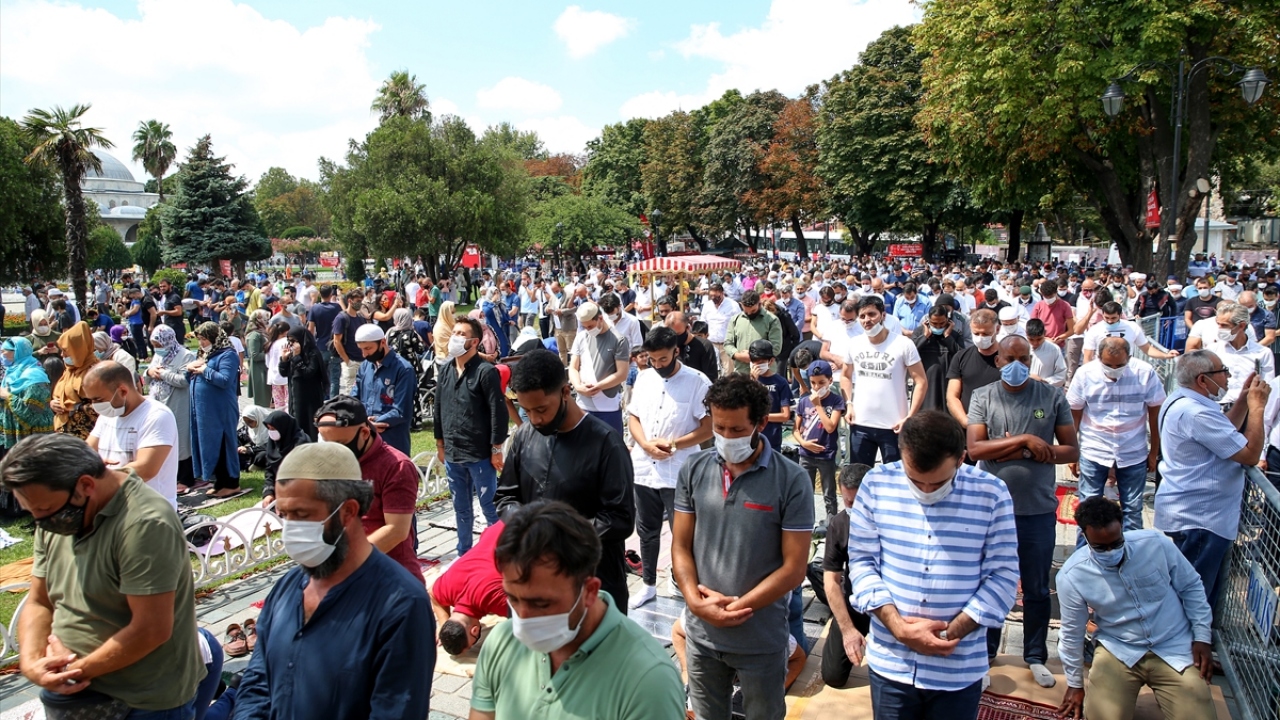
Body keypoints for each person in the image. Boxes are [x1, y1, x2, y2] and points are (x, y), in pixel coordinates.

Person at [3, 433, 204, 717]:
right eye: (33, 511)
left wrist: (72, 670)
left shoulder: (144, 524)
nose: (41, 522)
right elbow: (39, 601)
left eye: (46, 509)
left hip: (142, 701)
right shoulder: (55, 518)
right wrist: (33, 664)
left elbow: (151, 629)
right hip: (74, 691)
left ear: (85, 485)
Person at [234, 443, 435, 720]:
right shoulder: (286, 589)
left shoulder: (400, 605)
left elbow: (395, 710)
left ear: (348, 512)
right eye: (285, 516)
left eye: (302, 515)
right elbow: (257, 683)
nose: (290, 529)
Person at [848, 410, 1019, 718]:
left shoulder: (991, 494)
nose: (926, 491)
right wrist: (899, 629)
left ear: (961, 458)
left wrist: (949, 634)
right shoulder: (875, 485)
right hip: (892, 664)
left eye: (938, 483)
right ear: (901, 455)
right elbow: (861, 563)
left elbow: (1003, 577)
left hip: (958, 669)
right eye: (915, 481)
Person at [672, 374, 813, 719]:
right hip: (701, 637)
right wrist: (694, 601)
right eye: (719, 428)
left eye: (736, 430)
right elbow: (680, 546)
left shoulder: (791, 480)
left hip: (761, 642)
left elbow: (794, 569)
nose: (725, 438)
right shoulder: (694, 470)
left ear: (761, 423)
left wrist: (735, 610)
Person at [469, 501, 685, 719]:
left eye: (542, 604)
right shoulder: (500, 643)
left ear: (589, 591)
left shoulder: (648, 681)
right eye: (513, 599)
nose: (523, 618)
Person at [967, 335, 1079, 688]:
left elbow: (1070, 450)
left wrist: (1017, 450)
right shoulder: (983, 396)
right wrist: (1028, 441)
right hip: (994, 512)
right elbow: (975, 449)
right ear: (998, 360)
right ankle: (985, 653)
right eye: (1009, 358)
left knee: (1036, 588)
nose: (1016, 365)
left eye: (1024, 359)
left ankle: (1034, 655)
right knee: (990, 584)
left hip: (1038, 510)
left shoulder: (1051, 396)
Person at [499, 349, 636, 611]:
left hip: (592, 584)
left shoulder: (606, 444)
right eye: (526, 410)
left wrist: (558, 536)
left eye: (541, 409)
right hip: (533, 578)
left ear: (565, 392)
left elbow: (620, 519)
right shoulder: (525, 436)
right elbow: (506, 496)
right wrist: (525, 526)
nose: (535, 419)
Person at [1057, 497, 1215, 720]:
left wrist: (1202, 637)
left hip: (1172, 645)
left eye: (1116, 542)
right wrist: (1074, 684)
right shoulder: (1072, 576)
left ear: (1122, 528)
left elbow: (1191, 587)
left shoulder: (1156, 544)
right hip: (1118, 649)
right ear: (1084, 535)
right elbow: (1071, 633)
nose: (1111, 551)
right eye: (1101, 548)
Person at [1156, 350, 1268, 613]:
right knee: (1194, 597)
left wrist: (1241, 399)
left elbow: (1223, 433)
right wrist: (1258, 408)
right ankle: (1188, 648)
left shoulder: (1185, 401)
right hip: (1200, 518)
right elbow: (1250, 454)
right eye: (1223, 371)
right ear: (1203, 380)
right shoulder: (1196, 413)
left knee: (1198, 591)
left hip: (1197, 513)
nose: (1228, 376)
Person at [625, 330, 713, 609]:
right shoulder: (644, 377)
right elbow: (634, 417)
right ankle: (649, 583)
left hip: (680, 472)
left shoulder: (698, 382)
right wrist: (645, 444)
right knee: (646, 531)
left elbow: (707, 428)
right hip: (645, 469)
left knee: (683, 534)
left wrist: (673, 444)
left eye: (662, 358)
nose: (657, 365)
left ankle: (686, 585)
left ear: (676, 351)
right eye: (651, 359)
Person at [314, 396, 422, 583]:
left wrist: (348, 562)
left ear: (364, 433)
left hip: (390, 579)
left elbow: (396, 530)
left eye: (339, 444)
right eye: (326, 442)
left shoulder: (396, 466)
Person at [1066, 337, 1165, 532]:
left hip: (1133, 452)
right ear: (1098, 357)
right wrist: (1072, 452)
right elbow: (1074, 416)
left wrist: (1154, 452)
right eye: (1107, 365)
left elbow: (1155, 417)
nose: (1113, 369)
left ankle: (1132, 558)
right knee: (1088, 508)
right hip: (1094, 450)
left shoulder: (1144, 373)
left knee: (1133, 510)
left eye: (1119, 365)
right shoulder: (1085, 374)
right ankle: (1085, 556)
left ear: (1130, 357)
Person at [435, 317, 508, 554]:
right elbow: (439, 408)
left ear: (474, 341)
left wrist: (496, 448)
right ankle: (464, 552)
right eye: (454, 332)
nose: (454, 337)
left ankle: (498, 554)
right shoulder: (446, 370)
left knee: (489, 507)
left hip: (479, 454)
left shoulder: (486, 372)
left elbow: (498, 411)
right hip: (454, 452)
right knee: (460, 507)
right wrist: (440, 443)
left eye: (461, 333)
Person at [840, 296, 928, 466]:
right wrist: (849, 403)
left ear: (883, 315)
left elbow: (921, 381)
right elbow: (845, 375)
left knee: (895, 479)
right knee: (858, 478)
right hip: (860, 424)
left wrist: (910, 416)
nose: (867, 320)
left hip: (894, 426)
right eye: (862, 316)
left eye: (872, 314)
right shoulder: (854, 344)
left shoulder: (904, 344)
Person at [83, 361, 179, 510]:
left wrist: (99, 473)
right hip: (112, 508)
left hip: (148, 512)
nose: (94, 405)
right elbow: (86, 451)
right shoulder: (109, 414)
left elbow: (145, 469)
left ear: (122, 391)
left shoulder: (156, 416)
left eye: (98, 400)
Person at [820, 463, 872, 689]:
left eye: (858, 501)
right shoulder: (840, 524)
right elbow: (831, 580)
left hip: (893, 606)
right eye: (847, 501)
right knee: (833, 677)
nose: (852, 507)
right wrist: (847, 629)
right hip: (856, 604)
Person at [431, 520, 509, 656]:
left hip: (532, 531)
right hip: (501, 524)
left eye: (472, 644)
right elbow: (432, 594)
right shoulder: (447, 589)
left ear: (474, 631)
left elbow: (531, 617)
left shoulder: (496, 601)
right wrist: (443, 622)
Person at [187, 322, 242, 498]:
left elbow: (225, 380)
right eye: (200, 339)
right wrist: (189, 370)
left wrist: (205, 370)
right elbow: (191, 379)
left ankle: (231, 483)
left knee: (223, 444)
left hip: (221, 410)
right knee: (210, 445)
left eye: (204, 339)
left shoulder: (228, 355)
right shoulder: (206, 355)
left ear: (213, 337)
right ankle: (219, 482)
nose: (201, 343)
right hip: (205, 411)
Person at [352, 323, 417, 456]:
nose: (364, 354)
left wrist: (374, 424)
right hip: (365, 439)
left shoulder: (403, 369)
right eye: (361, 349)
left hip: (392, 440)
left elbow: (400, 410)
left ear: (382, 342)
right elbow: (354, 399)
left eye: (368, 348)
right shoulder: (365, 367)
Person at [569, 302, 630, 435]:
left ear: (600, 318)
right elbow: (573, 367)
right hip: (582, 406)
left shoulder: (619, 340)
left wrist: (598, 386)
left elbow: (621, 374)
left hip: (608, 407)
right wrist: (578, 387)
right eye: (584, 327)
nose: (588, 330)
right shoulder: (581, 337)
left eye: (590, 326)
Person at [795, 359, 846, 517]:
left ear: (830, 381)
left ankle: (832, 525)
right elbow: (796, 430)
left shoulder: (836, 401)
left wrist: (818, 405)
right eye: (813, 383)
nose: (817, 387)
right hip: (806, 455)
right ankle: (806, 524)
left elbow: (830, 427)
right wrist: (803, 443)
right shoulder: (804, 402)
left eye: (821, 383)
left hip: (826, 454)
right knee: (805, 492)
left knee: (829, 493)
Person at [1202, 302, 1274, 404]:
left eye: (1225, 325)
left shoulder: (1262, 353)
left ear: (1241, 326)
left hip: (1248, 407)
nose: (1220, 328)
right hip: (1218, 407)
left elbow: (1267, 386)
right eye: (1218, 324)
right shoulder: (1213, 350)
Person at [945, 309, 1000, 431]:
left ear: (997, 330)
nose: (981, 338)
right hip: (969, 431)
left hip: (1000, 430)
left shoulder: (1008, 358)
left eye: (986, 334)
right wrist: (966, 422)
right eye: (976, 333)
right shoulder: (960, 357)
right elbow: (952, 396)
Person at [0, 337, 54, 454]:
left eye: (4, 350)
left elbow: (31, 415)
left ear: (17, 352)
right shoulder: (12, 373)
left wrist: (7, 396)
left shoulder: (34, 377)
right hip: (14, 438)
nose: (1, 354)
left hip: (32, 443)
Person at [1082, 301, 1178, 363]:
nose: (1110, 321)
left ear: (1120, 315)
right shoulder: (1094, 330)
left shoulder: (1132, 327)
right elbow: (1088, 356)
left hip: (1127, 370)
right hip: (1102, 371)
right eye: (1106, 318)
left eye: (1113, 318)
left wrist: (1166, 355)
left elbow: (1147, 349)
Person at [51, 321, 100, 439]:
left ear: (78, 349)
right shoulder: (70, 370)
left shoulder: (96, 372)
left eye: (66, 351)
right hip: (65, 435)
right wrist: (53, 404)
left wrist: (75, 408)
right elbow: (61, 395)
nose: (62, 355)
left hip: (89, 437)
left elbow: (105, 405)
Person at [278, 326, 326, 442]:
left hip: (309, 398)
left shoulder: (312, 354)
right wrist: (284, 359)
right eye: (289, 341)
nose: (291, 344)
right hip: (295, 397)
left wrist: (298, 357)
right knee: (296, 424)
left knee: (309, 426)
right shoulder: (292, 354)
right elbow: (284, 373)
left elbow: (308, 373)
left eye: (294, 341)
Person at [723, 290, 782, 374]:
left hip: (764, 373)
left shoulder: (772, 320)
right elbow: (728, 344)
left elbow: (776, 347)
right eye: (746, 311)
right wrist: (738, 355)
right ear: (741, 305)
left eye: (753, 311)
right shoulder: (735, 320)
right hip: (741, 372)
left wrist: (754, 357)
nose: (750, 314)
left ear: (759, 304)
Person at [749, 339, 793, 450]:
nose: (756, 366)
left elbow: (785, 415)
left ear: (771, 361)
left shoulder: (780, 383)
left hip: (772, 440)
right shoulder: (747, 382)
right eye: (754, 362)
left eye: (760, 363)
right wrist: (753, 382)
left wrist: (761, 417)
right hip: (749, 439)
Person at [307, 284, 343, 396]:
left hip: (320, 346)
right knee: (334, 377)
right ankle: (333, 402)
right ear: (331, 294)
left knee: (321, 376)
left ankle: (322, 398)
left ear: (319, 294)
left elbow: (311, 330)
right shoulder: (337, 308)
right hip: (334, 346)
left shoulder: (314, 308)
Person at [331, 289, 368, 397]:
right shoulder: (342, 318)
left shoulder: (360, 318)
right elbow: (336, 341)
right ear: (350, 301)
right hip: (350, 361)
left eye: (361, 300)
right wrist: (347, 361)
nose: (359, 303)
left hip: (362, 360)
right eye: (357, 300)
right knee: (350, 394)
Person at [666, 311, 719, 382]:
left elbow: (711, 378)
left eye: (677, 334)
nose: (673, 338)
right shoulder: (666, 346)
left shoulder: (704, 346)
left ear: (687, 328)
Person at [701, 283, 740, 375]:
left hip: (727, 345)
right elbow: (703, 322)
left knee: (728, 372)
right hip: (711, 344)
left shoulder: (733, 305)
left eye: (716, 296)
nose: (713, 298)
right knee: (711, 371)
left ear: (722, 293)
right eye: (711, 296)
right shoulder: (707, 306)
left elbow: (738, 324)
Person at [1026, 318, 1067, 388]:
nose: (1035, 343)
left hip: (1047, 391)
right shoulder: (1022, 348)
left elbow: (1061, 375)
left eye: (1039, 339)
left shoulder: (1054, 349)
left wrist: (1043, 381)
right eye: (1031, 339)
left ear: (1044, 333)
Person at [243, 310, 271, 408]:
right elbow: (254, 356)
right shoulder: (254, 335)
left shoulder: (262, 333)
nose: (267, 321)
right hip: (259, 372)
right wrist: (270, 354)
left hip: (266, 369)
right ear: (258, 320)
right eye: (265, 319)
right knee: (263, 403)